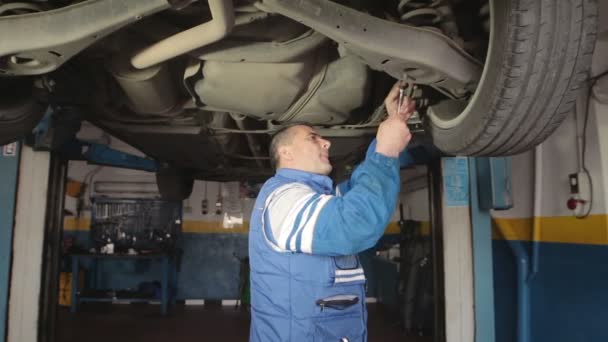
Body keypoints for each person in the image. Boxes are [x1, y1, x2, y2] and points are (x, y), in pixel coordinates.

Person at [248, 81, 415, 341]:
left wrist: (392, 122)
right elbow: (355, 224)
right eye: (313, 138)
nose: (326, 143)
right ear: (285, 152)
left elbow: (360, 191)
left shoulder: (312, 198)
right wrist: (386, 151)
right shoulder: (284, 199)